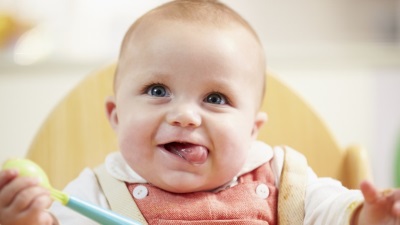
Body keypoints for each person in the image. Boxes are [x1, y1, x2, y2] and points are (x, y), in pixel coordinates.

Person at [1, 0, 400, 224]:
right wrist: (26, 219)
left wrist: (367, 216)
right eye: (157, 90)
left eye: (216, 98)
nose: (186, 116)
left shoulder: (283, 180)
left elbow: (331, 212)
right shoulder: (98, 194)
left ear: (251, 132)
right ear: (116, 116)